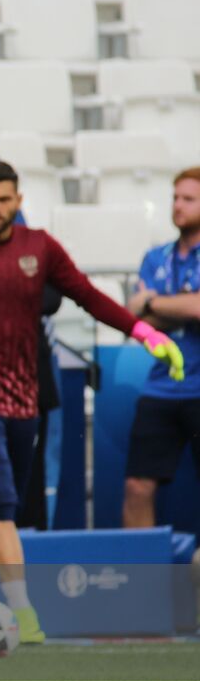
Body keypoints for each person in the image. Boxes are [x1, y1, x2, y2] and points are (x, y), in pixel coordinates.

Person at [0, 159, 183, 644]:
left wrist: (144, 331)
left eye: (5, 200)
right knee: (3, 502)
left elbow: (89, 296)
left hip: (23, 397)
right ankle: (24, 616)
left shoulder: (40, 248)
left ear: (19, 200)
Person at [124, 167, 200, 527]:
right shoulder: (155, 256)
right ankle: (143, 579)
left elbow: (196, 309)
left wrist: (153, 301)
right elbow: (137, 321)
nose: (178, 206)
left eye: (188, 199)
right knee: (138, 486)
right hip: (161, 388)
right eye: (175, 197)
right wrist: (180, 306)